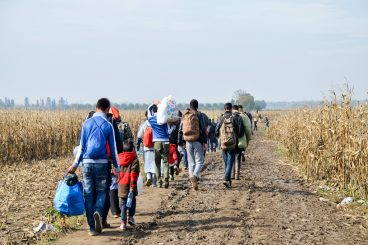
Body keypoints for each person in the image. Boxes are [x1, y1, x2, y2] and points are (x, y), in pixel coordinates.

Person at [69, 98, 120, 236]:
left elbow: (82, 147)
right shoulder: (108, 125)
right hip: (102, 163)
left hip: (87, 163)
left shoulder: (86, 123)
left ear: (96, 107)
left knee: (89, 193)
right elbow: (114, 149)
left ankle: (92, 228)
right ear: (107, 109)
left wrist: (75, 164)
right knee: (103, 191)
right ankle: (98, 210)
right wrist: (117, 167)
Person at [178, 99, 207, 191]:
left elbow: (180, 130)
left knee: (191, 163)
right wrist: (205, 142)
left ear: (189, 106)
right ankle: (194, 176)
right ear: (197, 106)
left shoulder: (185, 115)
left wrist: (180, 142)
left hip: (187, 141)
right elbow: (202, 128)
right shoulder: (199, 115)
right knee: (200, 161)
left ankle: (192, 180)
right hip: (197, 140)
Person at [215, 103, 242, 188]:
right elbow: (238, 131)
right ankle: (226, 178)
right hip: (232, 143)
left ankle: (228, 180)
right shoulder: (234, 118)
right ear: (231, 109)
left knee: (226, 162)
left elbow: (216, 130)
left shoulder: (221, 118)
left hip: (223, 143)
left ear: (224, 109)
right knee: (230, 162)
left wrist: (219, 136)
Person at [118, 140, 140, 230]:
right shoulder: (134, 159)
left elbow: (115, 171)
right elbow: (134, 174)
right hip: (131, 185)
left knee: (123, 204)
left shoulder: (119, 158)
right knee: (132, 201)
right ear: (132, 149)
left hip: (121, 185)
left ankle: (123, 223)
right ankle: (130, 217)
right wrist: (132, 186)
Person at [147, 103, 170, 188]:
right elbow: (169, 130)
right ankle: (166, 177)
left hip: (156, 142)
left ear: (153, 111)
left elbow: (148, 110)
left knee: (157, 162)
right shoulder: (164, 119)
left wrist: (153, 104)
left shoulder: (152, 119)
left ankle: (159, 181)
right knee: (166, 161)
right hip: (166, 141)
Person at [136, 111, 157, 187]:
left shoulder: (144, 124)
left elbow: (139, 136)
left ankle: (148, 177)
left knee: (147, 163)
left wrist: (137, 147)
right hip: (154, 147)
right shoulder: (156, 123)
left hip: (146, 147)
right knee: (154, 164)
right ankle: (154, 182)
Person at [231, 105, 246, 180]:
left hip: (230, 141)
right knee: (237, 158)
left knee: (231, 158)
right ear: (238, 110)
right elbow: (242, 130)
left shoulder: (229, 117)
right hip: (239, 140)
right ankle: (237, 175)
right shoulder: (240, 117)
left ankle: (231, 175)